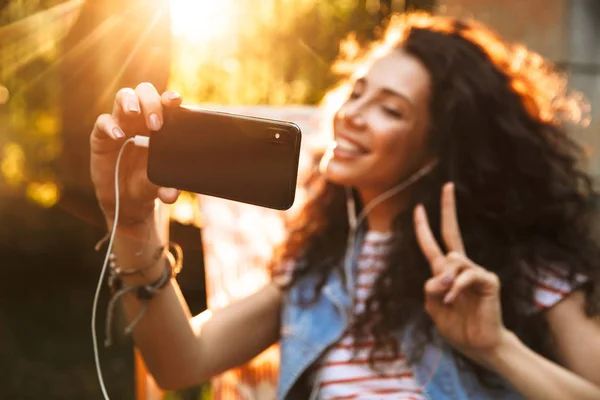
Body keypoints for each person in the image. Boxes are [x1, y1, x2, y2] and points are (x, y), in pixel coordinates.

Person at [90, 12, 600, 400]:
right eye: (358, 93)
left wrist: (496, 347)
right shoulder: (314, 269)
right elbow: (181, 362)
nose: (353, 115)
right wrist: (131, 223)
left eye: (391, 109)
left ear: (442, 147)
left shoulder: (524, 264)